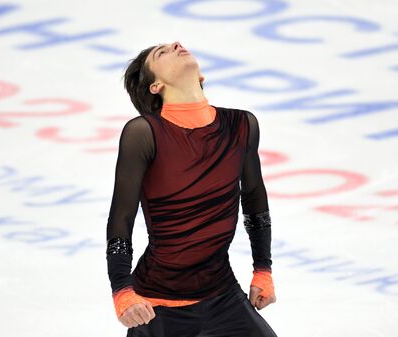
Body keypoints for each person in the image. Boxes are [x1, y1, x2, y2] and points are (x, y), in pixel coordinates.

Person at [105, 41, 279, 337]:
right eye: (162, 53)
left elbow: (254, 199)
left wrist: (263, 268)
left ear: (201, 77)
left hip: (223, 296)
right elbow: (121, 218)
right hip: (156, 307)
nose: (176, 44)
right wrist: (122, 290)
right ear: (155, 86)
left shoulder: (242, 125)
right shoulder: (144, 134)